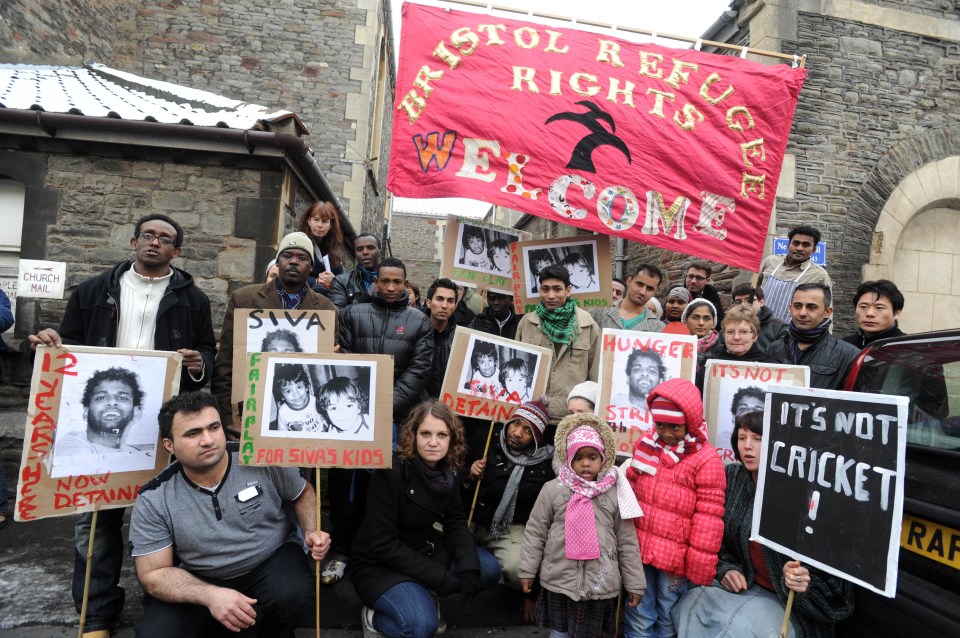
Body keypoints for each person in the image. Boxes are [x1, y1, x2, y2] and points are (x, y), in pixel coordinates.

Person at [27, 213, 216, 638]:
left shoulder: (194, 299)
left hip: (166, 422)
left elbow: (207, 350)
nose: (155, 242)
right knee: (96, 519)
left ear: (177, 251)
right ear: (134, 243)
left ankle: (167, 607)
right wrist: (50, 343)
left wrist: (199, 362)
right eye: (147, 235)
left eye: (165, 238)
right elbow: (68, 342)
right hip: (101, 423)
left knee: (173, 516)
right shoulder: (94, 290)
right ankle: (95, 615)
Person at [129, 392, 330, 638]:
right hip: (200, 577)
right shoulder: (154, 497)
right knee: (155, 634)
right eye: (193, 433)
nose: (207, 440)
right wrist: (211, 595)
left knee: (293, 594)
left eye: (213, 428)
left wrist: (311, 531)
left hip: (269, 560)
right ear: (169, 445)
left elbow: (302, 492)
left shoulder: (261, 458)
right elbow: (153, 575)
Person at [672, 412, 855, 638]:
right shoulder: (731, 477)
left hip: (786, 605)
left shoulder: (806, 492)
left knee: (739, 629)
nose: (748, 446)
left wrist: (803, 586)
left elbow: (840, 594)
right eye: (742, 438)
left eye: (758, 438)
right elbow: (711, 538)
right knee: (690, 605)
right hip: (741, 589)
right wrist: (725, 569)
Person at [349, 400, 501, 638]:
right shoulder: (391, 472)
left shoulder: (447, 470)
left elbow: (455, 522)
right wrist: (439, 578)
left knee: (487, 569)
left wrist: (469, 570)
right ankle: (374, 617)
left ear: (452, 439)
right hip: (379, 564)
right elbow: (383, 544)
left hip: (422, 549)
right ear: (413, 435)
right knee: (422, 628)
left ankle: (420, 593)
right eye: (425, 433)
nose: (433, 442)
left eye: (442, 435)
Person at [328, 256, 433, 585]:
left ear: (405, 283)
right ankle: (342, 549)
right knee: (347, 486)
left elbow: (419, 371)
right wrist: (361, 406)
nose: (390, 287)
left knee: (387, 487)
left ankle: (379, 552)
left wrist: (385, 405)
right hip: (352, 417)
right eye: (384, 281)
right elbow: (340, 357)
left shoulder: (419, 322)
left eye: (396, 282)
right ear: (376, 282)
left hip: (396, 418)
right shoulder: (352, 314)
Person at [519, 413, 646, 638]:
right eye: (578, 457)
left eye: (592, 457)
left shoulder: (615, 493)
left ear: (603, 459)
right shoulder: (553, 490)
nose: (585, 463)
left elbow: (627, 541)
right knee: (559, 633)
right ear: (568, 459)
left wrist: (635, 583)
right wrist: (528, 569)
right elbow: (536, 531)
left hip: (600, 584)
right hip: (560, 580)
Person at [625, 378, 726, 638]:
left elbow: (709, 518)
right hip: (640, 546)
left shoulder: (706, 460)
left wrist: (698, 564)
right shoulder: (647, 444)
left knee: (670, 612)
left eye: (675, 427)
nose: (667, 433)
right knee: (638, 609)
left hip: (675, 560)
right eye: (661, 425)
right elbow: (630, 487)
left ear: (690, 423)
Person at [212, 231, 339, 435]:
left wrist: (332, 359)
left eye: (302, 257)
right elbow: (226, 364)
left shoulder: (326, 310)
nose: (294, 262)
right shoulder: (244, 299)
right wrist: (227, 419)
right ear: (278, 262)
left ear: (312, 266)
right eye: (287, 256)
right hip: (247, 416)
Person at [464, 398, 555, 618]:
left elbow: (543, 520)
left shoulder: (545, 463)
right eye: (516, 423)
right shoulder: (486, 438)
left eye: (527, 430)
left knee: (517, 569)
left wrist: (530, 595)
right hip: (469, 516)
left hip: (509, 526)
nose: (516, 432)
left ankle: (508, 584)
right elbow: (450, 472)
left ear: (536, 438)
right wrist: (469, 474)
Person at [516, 264, 601, 431]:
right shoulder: (527, 323)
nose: (551, 295)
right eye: (545, 289)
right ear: (539, 290)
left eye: (557, 289)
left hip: (572, 418)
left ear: (568, 290)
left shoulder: (587, 325)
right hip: (532, 415)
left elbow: (595, 375)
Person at [52, 367, 155, 476]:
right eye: (101, 397)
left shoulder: (133, 452)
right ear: (86, 411)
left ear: (136, 411)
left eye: (123, 398)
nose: (112, 402)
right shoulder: (72, 444)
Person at [766, 283, 861, 390]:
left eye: (811, 307)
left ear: (827, 312)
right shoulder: (773, 349)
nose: (802, 313)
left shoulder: (848, 356)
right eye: (797, 306)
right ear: (790, 308)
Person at [760, 226, 832, 324]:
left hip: (793, 332)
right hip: (760, 326)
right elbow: (752, 291)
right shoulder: (770, 262)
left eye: (806, 245)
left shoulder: (819, 275)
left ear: (814, 250)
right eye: (796, 243)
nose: (799, 248)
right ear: (788, 245)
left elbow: (826, 309)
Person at [696, 305, 777, 390]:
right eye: (730, 332)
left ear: (754, 336)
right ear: (723, 335)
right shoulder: (709, 366)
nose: (736, 337)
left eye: (743, 332)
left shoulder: (773, 368)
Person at [591, 263, 665, 333]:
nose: (643, 292)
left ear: (655, 292)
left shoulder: (658, 328)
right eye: (640, 284)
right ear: (629, 281)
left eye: (649, 288)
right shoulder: (598, 311)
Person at [609, 349, 666, 430]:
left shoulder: (665, 409)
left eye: (652, 371)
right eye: (637, 369)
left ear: (660, 380)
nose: (645, 374)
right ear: (628, 378)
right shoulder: (618, 402)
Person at [422, 278, 459, 399]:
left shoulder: (459, 338)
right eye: (440, 299)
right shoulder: (415, 332)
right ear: (428, 302)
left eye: (450, 301)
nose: (444, 306)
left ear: (455, 305)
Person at [298, 201, 346, 294]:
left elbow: (343, 279)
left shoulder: (333, 250)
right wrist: (316, 281)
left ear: (330, 225)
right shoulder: (299, 244)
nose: (319, 225)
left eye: (324, 221)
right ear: (309, 221)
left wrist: (334, 280)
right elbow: (291, 275)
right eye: (316, 220)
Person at [843, 279, 905, 348]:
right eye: (863, 306)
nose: (870, 313)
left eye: (879, 308)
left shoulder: (909, 348)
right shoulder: (843, 346)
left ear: (896, 313)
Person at [329, 233, 381, 309]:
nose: (365, 252)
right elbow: (336, 315)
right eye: (359, 249)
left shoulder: (393, 280)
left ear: (379, 251)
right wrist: (367, 296)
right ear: (355, 253)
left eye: (370, 248)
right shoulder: (341, 281)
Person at [269, 364, 325, 433]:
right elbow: (281, 433)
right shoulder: (283, 411)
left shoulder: (315, 401)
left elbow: (326, 419)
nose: (296, 394)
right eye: (288, 391)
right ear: (282, 396)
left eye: (299, 387)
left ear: (306, 387)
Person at [731, 283, 787, 350]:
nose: (743, 305)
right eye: (738, 301)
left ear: (761, 302)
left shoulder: (780, 328)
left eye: (749, 300)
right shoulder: (728, 327)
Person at [684, 262, 725, 327]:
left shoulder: (711, 293)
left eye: (699, 278)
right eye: (690, 276)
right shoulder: (678, 292)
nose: (693, 281)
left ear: (707, 281)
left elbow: (719, 318)